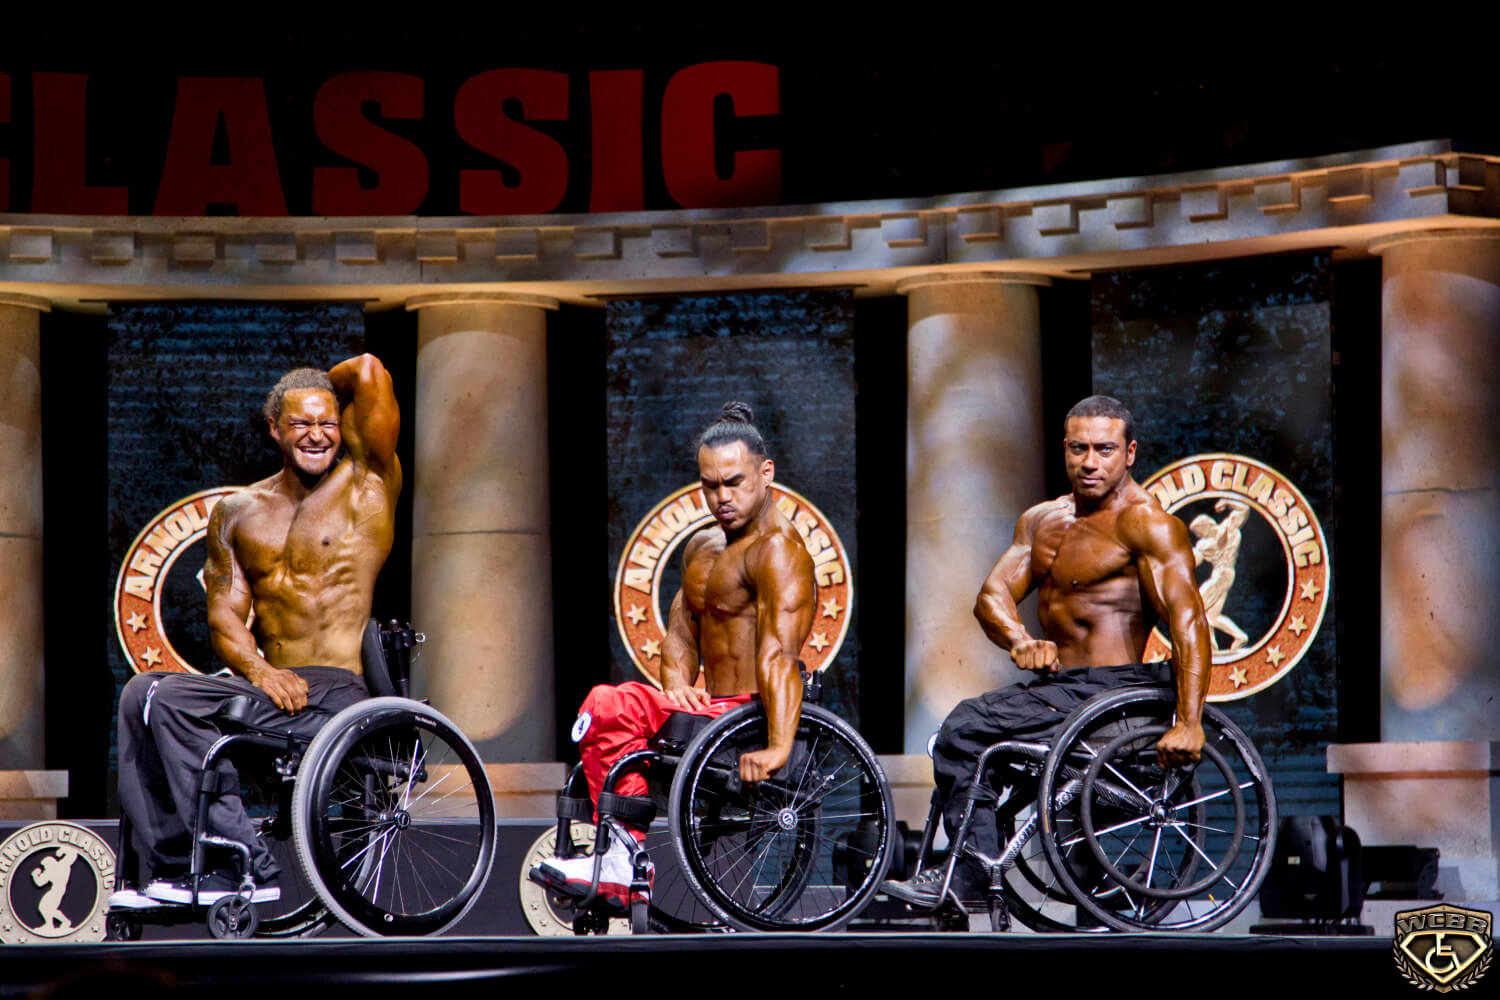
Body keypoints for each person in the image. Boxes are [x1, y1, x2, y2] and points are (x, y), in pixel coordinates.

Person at [882, 394, 1211, 909]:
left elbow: (1189, 620)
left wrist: (1189, 721)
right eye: (1079, 449)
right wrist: (1020, 639)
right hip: (1060, 692)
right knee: (977, 739)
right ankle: (995, 867)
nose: (1090, 462)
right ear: (1064, 449)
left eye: (1104, 449)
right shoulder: (1041, 522)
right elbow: (991, 596)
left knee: (964, 729)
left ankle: (969, 876)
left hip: (1113, 693)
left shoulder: (1146, 524)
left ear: (1130, 453)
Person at [110, 354, 401, 909]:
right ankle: (176, 868)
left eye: (327, 422)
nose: (316, 435)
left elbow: (367, 369)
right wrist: (261, 671)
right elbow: (223, 614)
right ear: (273, 428)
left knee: (170, 700)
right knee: (141, 694)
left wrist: (320, 386)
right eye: (300, 423)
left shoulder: (368, 484)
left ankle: (244, 865)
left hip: (337, 690)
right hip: (272, 690)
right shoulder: (238, 511)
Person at [532, 401, 816, 910]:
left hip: (747, 717)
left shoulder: (778, 550)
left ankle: (622, 859)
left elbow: (779, 653)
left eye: (734, 482)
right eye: (710, 485)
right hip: (708, 714)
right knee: (605, 711)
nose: (722, 497)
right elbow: (682, 635)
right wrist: (679, 685)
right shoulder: (703, 548)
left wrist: (778, 747)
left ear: (766, 473)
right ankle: (617, 855)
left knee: (608, 703)